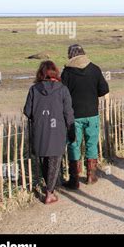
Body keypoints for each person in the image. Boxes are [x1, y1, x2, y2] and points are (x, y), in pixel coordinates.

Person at [23, 61, 75, 204]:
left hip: (40, 131)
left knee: (45, 162)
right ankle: (49, 193)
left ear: (41, 73)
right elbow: (68, 113)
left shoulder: (34, 89)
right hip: (57, 131)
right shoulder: (63, 90)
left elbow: (27, 112)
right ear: (55, 72)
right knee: (54, 162)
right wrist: (71, 130)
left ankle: (50, 189)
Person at [61, 44, 109, 189]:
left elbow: (62, 94)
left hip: (74, 116)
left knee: (74, 144)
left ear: (70, 55)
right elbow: (103, 89)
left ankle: (74, 180)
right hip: (92, 114)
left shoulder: (67, 72)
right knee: (91, 144)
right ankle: (91, 176)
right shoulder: (94, 69)